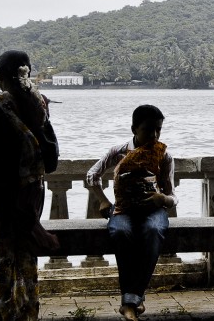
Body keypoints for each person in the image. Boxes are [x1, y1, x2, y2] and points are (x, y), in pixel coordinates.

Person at [0, 50, 60, 321]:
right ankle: (30, 314)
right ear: (27, 72)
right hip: (29, 198)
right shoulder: (38, 102)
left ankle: (10, 316)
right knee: (27, 259)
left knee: (3, 266)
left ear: (0, 76)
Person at [85, 104, 177, 321]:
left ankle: (130, 302)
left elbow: (172, 195)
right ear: (134, 129)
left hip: (153, 210)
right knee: (120, 233)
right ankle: (135, 298)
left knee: (154, 230)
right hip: (123, 209)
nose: (154, 136)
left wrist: (163, 199)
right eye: (148, 130)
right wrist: (102, 200)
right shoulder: (118, 153)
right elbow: (92, 175)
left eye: (158, 130)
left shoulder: (164, 156)